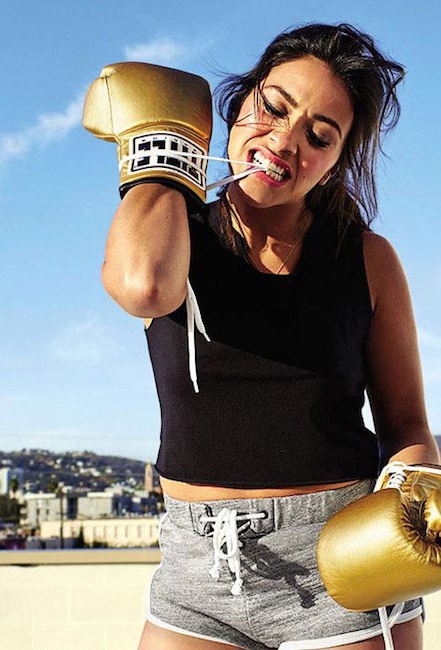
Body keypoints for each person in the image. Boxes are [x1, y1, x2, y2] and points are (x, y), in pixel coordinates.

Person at [95, 23, 440, 650]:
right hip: (197, 574)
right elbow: (142, 286)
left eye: (320, 136)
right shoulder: (174, 231)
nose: (284, 141)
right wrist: (168, 154)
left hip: (341, 563)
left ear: (335, 161)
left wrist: (416, 511)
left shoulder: (366, 258)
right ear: (238, 102)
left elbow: (406, 426)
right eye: (273, 108)